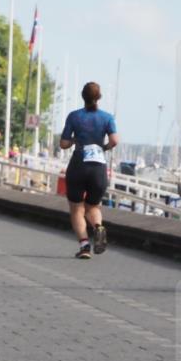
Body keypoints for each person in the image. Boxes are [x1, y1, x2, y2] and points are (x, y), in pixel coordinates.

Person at [60, 81, 119, 259]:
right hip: (98, 167)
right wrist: (103, 148)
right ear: (98, 97)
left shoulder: (74, 116)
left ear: (83, 97)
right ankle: (98, 227)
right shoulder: (107, 118)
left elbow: (63, 143)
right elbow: (114, 140)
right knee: (93, 206)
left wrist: (74, 140)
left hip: (78, 165)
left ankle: (85, 246)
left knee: (77, 208)